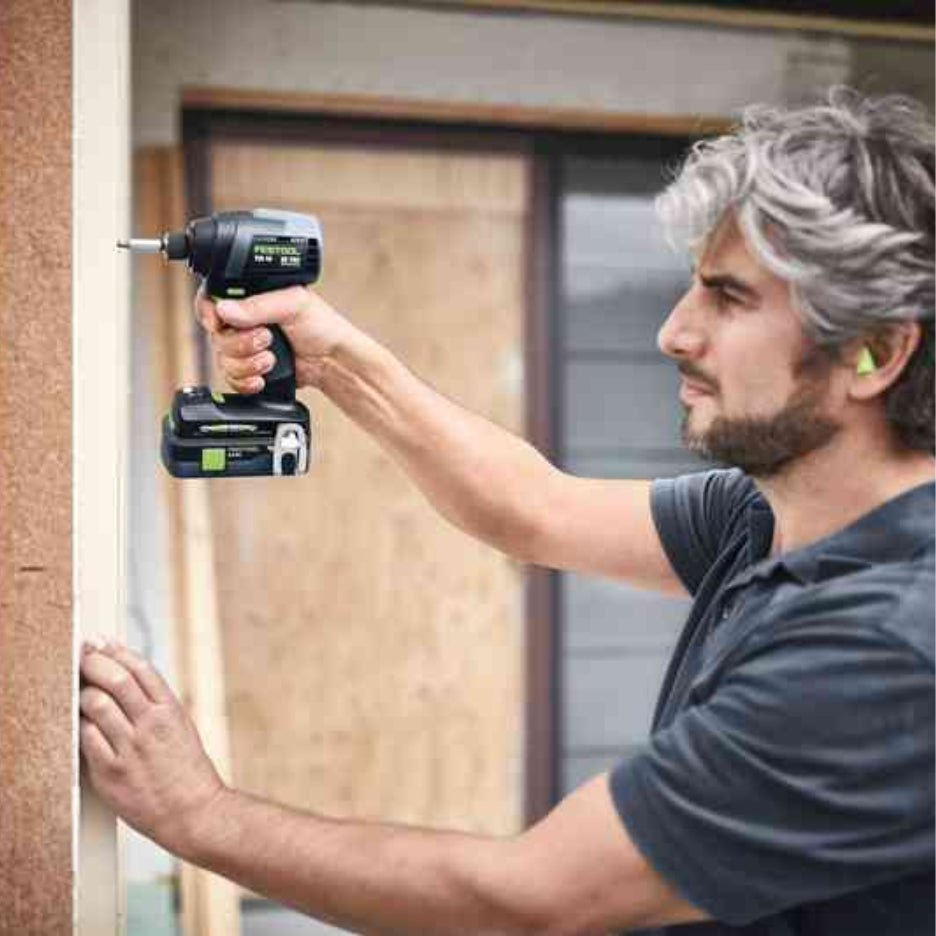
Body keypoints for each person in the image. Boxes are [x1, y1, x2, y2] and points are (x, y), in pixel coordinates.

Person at [80, 88, 934, 935]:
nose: (673, 331)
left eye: (730, 297)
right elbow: (536, 510)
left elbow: (531, 899)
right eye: (692, 286)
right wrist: (334, 359)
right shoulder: (770, 512)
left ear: (876, 352)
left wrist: (199, 816)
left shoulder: (891, 646)